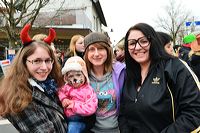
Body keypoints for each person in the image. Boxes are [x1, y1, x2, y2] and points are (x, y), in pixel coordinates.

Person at [119, 23, 200, 133]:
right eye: (132, 43)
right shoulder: (129, 73)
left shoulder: (174, 67)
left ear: (153, 42)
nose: (137, 47)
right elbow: (123, 112)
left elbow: (195, 112)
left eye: (143, 41)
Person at [0, 24, 67, 132]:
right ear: (23, 63)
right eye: (37, 61)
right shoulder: (19, 99)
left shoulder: (49, 85)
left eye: (48, 60)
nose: (44, 67)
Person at [83, 32, 126, 133]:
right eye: (91, 49)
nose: (96, 53)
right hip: (90, 130)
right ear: (86, 53)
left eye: (101, 48)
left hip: (117, 129)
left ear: (108, 50)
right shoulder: (81, 75)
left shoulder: (121, 72)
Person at [58, 56, 98, 133]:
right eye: (71, 76)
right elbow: (60, 92)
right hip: (66, 118)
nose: (75, 78)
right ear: (66, 78)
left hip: (79, 120)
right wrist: (64, 99)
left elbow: (92, 108)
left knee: (72, 130)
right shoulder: (66, 87)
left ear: (84, 75)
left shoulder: (88, 90)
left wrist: (74, 105)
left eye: (78, 75)